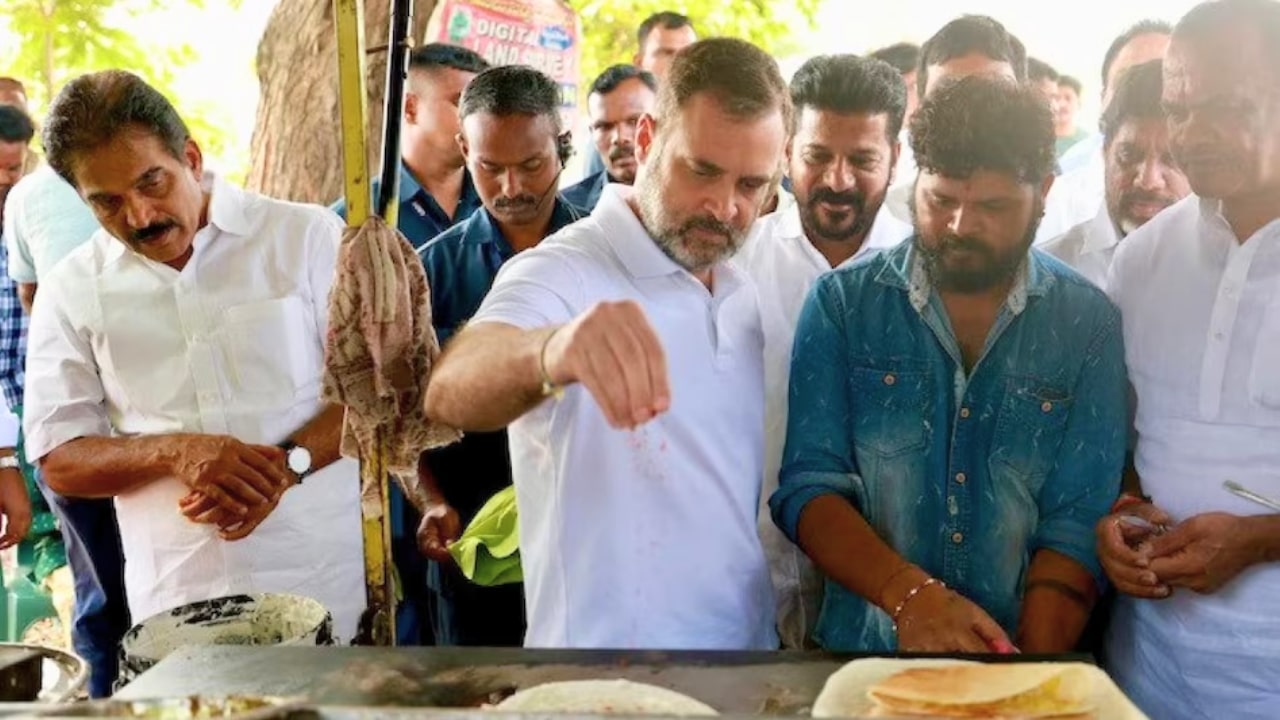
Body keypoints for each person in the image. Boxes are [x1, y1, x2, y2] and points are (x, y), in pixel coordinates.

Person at [425, 38, 789, 650]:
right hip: (599, 680)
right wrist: (553, 352)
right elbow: (452, 386)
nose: (724, 206)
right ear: (647, 141)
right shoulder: (563, 269)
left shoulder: (745, 291)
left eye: (751, 184)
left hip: (745, 663)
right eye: (701, 170)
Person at [772, 76, 1126, 655]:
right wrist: (909, 597)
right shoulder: (841, 305)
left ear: (1044, 190)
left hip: (1023, 656)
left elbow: (1076, 519)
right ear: (915, 183)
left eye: (992, 206)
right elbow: (810, 489)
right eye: (940, 201)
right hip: (864, 658)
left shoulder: (1087, 323)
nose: (961, 226)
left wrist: (1021, 674)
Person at [24, 70, 365, 641]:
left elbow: (371, 395)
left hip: (327, 590)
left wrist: (287, 467)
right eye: (106, 203)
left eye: (151, 182)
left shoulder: (304, 237)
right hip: (177, 609)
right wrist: (173, 452)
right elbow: (59, 459)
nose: (139, 216)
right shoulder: (72, 287)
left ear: (190, 155)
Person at [1098, 2, 1280, 717]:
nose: (1191, 135)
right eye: (1180, 108)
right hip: (1149, 672)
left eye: (1226, 108)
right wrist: (1118, 512)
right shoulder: (1142, 260)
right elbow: (1135, 442)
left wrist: (1261, 539)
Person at [735, 54, 910, 649]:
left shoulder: (925, 277)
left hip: (879, 594)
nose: (837, 180)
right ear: (786, 151)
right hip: (746, 575)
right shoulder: (730, 265)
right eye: (817, 156)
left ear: (896, 159)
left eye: (862, 160)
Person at [416, 64, 585, 647]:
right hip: (473, 550)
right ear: (464, 149)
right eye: (490, 167)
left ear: (563, 147)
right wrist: (431, 501)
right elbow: (402, 420)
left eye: (532, 165)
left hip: (588, 545)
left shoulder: (608, 254)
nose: (512, 188)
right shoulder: (428, 272)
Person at [330, 42, 488, 645]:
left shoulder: (499, 206)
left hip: (494, 470)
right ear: (413, 107)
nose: (474, 118)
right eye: (459, 102)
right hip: (403, 483)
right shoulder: (361, 221)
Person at [3, 154, 128, 697]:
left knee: (102, 592)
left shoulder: (28, 197)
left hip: (75, 422)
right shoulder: (31, 197)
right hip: (71, 433)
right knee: (102, 593)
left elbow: (33, 303)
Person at [1042, 61, 1190, 287]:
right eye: (1128, 155)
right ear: (1104, 153)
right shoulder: (1050, 276)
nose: (1148, 181)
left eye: (1172, 159)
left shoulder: (1224, 273)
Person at [332, 43, 489, 249]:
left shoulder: (500, 202)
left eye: (486, 107)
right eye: (463, 103)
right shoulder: (355, 218)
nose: (480, 120)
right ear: (410, 108)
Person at [883, 15, 1026, 225]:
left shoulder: (1065, 212)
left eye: (992, 94)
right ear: (921, 107)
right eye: (949, 93)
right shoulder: (889, 216)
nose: (969, 112)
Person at [1045, 22, 1174, 239]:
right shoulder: (1058, 201)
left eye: (1163, 79)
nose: (1146, 95)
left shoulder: (1225, 218)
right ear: (1103, 98)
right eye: (1128, 81)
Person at [561, 65, 657, 212]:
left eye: (634, 121)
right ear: (591, 133)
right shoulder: (565, 211)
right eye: (604, 127)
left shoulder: (698, 201)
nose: (619, 138)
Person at [1054, 75, 1090, 157]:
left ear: (1079, 103)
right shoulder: (1040, 140)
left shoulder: (1087, 143)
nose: (1061, 104)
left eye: (1068, 98)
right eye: (1056, 98)